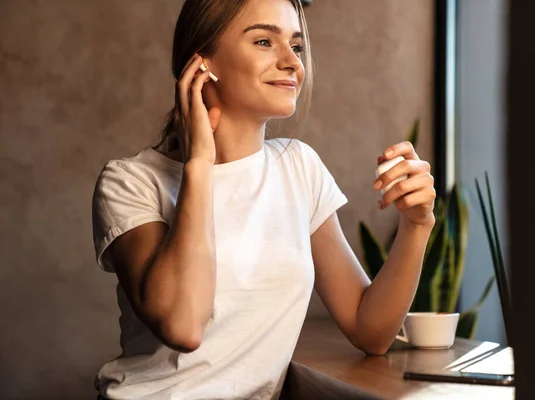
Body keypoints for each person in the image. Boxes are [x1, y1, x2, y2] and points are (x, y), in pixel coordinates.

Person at [91, 0, 436, 398]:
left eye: (297, 45)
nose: (292, 62)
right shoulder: (129, 182)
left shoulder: (299, 167)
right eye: (263, 41)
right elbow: (183, 326)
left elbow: (369, 329)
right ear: (200, 63)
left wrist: (417, 225)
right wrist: (200, 164)